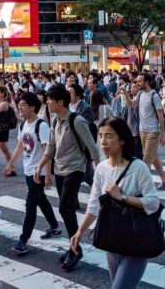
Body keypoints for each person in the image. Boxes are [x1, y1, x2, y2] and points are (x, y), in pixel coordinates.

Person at [70, 117, 160, 288]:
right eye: (100, 135)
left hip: (136, 240)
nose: (103, 141)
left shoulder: (138, 167)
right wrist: (80, 231)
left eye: (109, 136)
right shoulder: (102, 168)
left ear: (122, 140)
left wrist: (122, 197)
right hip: (113, 238)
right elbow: (94, 204)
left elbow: (154, 203)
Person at [35, 84, 99, 271]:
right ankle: (73, 246)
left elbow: (92, 146)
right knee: (67, 209)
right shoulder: (55, 121)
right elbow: (51, 148)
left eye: (50, 100)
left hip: (75, 168)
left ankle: (75, 249)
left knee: (64, 207)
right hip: (60, 168)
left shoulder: (76, 120)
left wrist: (99, 170)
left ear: (60, 102)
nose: (47, 103)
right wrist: (41, 166)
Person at [4, 92, 61, 254]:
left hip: (39, 172)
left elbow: (47, 151)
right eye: (19, 105)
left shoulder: (41, 126)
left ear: (32, 107)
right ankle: (55, 227)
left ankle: (23, 240)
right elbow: (20, 146)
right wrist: (10, 163)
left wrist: (48, 174)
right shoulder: (23, 126)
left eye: (23, 105)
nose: (20, 108)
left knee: (30, 205)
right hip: (29, 170)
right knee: (41, 199)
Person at [131, 73, 165, 189]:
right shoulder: (140, 93)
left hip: (152, 131)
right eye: (137, 81)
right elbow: (131, 105)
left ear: (146, 82)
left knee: (146, 160)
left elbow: (161, 116)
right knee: (154, 157)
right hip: (142, 130)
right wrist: (125, 94)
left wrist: (162, 134)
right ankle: (164, 181)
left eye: (139, 81)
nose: (137, 83)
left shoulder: (154, 96)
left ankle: (142, 187)